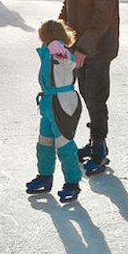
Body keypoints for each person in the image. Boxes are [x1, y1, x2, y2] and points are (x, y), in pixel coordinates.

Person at [58, 0, 118, 175]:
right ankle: (94, 140)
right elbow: (68, 4)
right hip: (78, 44)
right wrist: (59, 31)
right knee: (85, 92)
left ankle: (99, 147)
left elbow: (102, 16)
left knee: (96, 96)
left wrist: (84, 47)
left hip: (99, 46)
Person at [25, 18, 83, 203]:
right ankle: (45, 176)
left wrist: (61, 50)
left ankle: (72, 183)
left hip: (62, 103)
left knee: (64, 144)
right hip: (48, 103)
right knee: (45, 143)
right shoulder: (47, 51)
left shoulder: (60, 52)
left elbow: (69, 62)